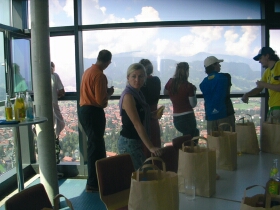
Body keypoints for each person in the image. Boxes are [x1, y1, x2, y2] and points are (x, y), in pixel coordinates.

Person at [78, 50, 114, 192]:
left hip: (84, 111)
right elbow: (100, 101)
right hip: (93, 113)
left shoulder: (88, 71)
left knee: (95, 145)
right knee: (95, 147)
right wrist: (108, 94)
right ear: (107, 62)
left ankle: (97, 180)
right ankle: (93, 183)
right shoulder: (100, 76)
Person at [118, 63, 162, 170]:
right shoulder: (129, 96)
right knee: (144, 174)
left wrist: (152, 115)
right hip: (129, 142)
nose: (137, 80)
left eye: (141, 76)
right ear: (128, 78)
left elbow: (139, 115)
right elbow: (137, 124)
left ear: (145, 78)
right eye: (134, 76)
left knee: (141, 175)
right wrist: (150, 147)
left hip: (134, 142)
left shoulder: (137, 94)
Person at [164, 62, 199, 144]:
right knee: (192, 138)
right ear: (187, 71)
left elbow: (165, 92)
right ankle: (190, 155)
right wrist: (193, 91)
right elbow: (193, 104)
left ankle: (184, 153)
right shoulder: (188, 86)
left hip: (176, 118)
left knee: (187, 138)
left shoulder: (170, 82)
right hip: (188, 117)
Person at [242, 47, 280, 121]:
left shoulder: (278, 65)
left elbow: (263, 85)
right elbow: (259, 88)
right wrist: (247, 94)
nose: (259, 61)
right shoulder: (267, 71)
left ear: (267, 56)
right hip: (273, 108)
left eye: (260, 58)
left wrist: (264, 84)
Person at [199, 56, 235, 134]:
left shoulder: (203, 83)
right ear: (213, 66)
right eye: (218, 64)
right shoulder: (225, 77)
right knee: (228, 141)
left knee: (213, 142)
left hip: (210, 115)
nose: (220, 65)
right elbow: (227, 93)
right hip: (225, 114)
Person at [139, 59, 161, 157]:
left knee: (144, 146)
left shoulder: (141, 84)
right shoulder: (156, 81)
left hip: (143, 117)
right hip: (154, 114)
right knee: (155, 142)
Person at [51, 62, 65, 165]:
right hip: (54, 109)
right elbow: (61, 91)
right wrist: (56, 96)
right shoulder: (55, 76)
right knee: (55, 134)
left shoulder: (37, 76)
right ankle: (55, 163)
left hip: (41, 110)